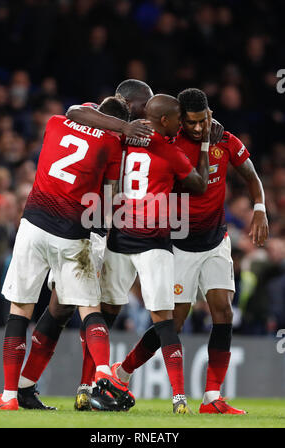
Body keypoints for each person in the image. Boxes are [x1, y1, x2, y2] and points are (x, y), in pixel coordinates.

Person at [110, 88, 269, 415]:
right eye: (191, 122)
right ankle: (122, 371)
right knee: (175, 323)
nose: (198, 128)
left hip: (215, 239)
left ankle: (212, 397)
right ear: (181, 120)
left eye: (202, 120)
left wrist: (260, 208)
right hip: (180, 243)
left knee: (223, 311)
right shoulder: (170, 143)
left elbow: (251, 176)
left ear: (209, 113)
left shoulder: (225, 139)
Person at [0, 95, 144, 411]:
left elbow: (75, 111)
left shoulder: (56, 123)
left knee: (20, 309)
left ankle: (10, 396)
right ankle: (102, 376)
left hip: (33, 224)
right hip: (75, 233)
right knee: (88, 308)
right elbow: (110, 196)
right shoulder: (113, 145)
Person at [99, 93, 210, 414]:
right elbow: (200, 185)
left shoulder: (124, 139)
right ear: (164, 121)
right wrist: (202, 147)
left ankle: (92, 383)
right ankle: (179, 399)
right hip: (153, 240)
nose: (180, 123)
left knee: (103, 316)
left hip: (119, 236)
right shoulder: (169, 150)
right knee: (165, 320)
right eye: (177, 118)